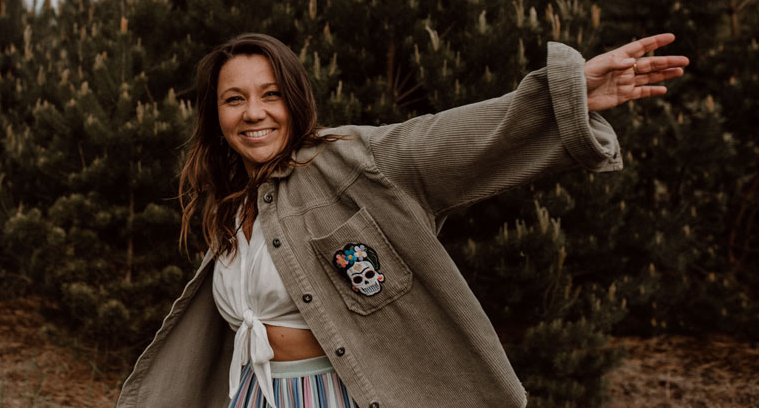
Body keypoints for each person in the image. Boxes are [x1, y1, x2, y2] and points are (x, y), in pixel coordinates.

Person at [116, 33, 688, 408]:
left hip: (339, 395)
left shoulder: (348, 160)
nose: (254, 112)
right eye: (233, 99)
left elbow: (446, 141)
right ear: (215, 116)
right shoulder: (230, 206)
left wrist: (561, 98)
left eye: (270, 94)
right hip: (252, 397)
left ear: (295, 99)